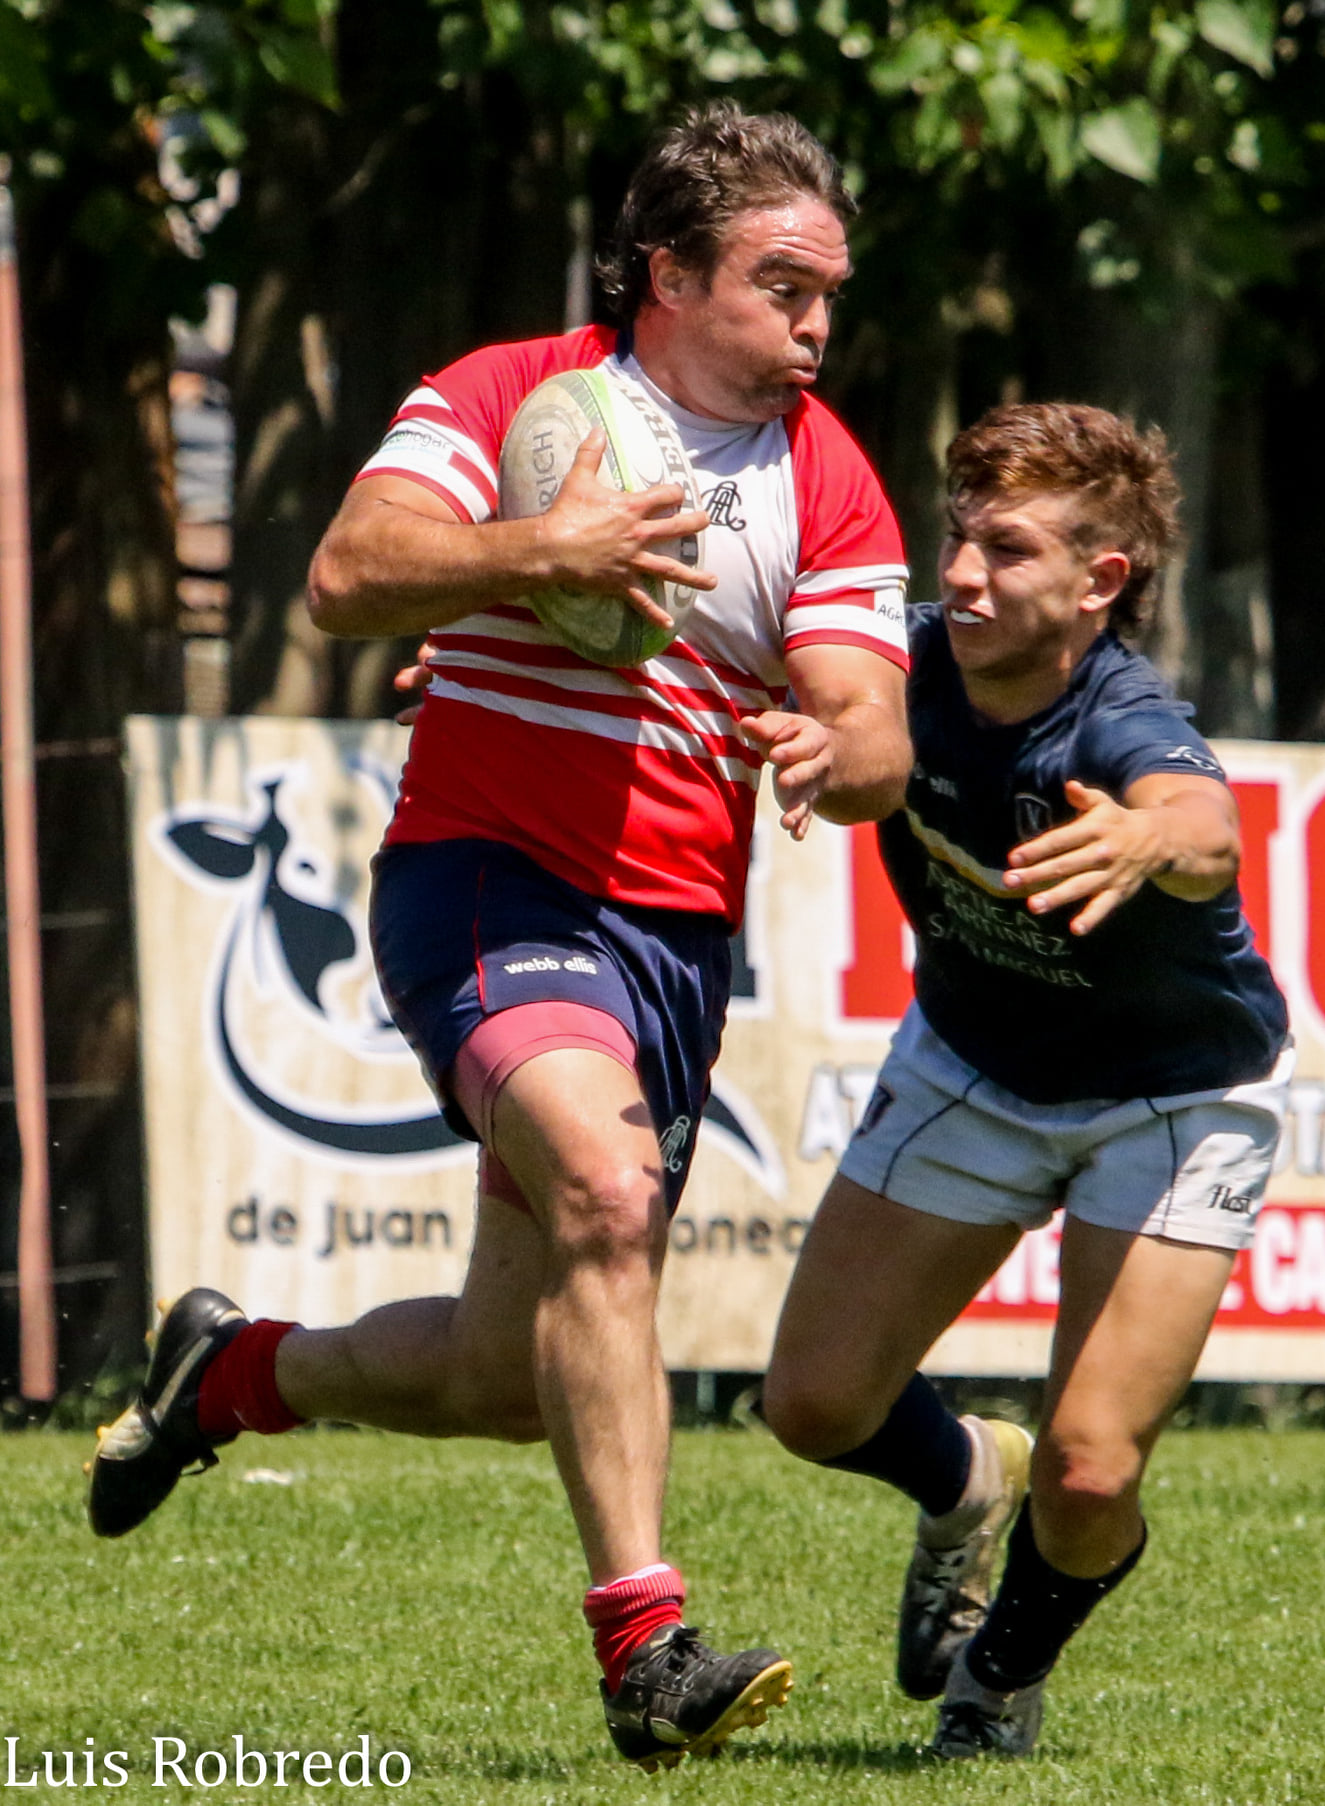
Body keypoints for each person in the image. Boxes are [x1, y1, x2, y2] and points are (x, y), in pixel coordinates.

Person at [87, 103, 911, 1770]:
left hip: (676, 931)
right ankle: (648, 1652)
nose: (819, 326)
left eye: (832, 292)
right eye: (783, 287)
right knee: (611, 1195)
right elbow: (345, 573)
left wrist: (846, 749)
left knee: (491, 1364)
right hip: (486, 881)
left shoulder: (824, 471)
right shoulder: (507, 394)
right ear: (669, 273)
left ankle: (229, 1370)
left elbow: (878, 723)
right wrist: (549, 550)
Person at [761, 401, 1290, 1760]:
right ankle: (961, 1478)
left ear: (1098, 580)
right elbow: (711, 661)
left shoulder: (1122, 718)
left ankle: (995, 1672)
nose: (961, 573)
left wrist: (1147, 844)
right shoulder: (901, 664)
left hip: (1173, 1099)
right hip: (976, 1058)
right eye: (957, 537)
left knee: (1094, 1467)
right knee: (812, 1403)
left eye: (1006, 548)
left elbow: (1203, 821)